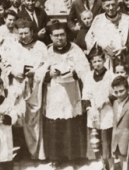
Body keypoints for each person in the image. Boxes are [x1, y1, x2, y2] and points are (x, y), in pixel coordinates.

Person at [33, 21, 89, 163]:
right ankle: (56, 158)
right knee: (55, 125)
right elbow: (38, 72)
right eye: (56, 36)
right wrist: (48, 72)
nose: (60, 38)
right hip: (54, 93)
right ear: (51, 37)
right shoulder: (48, 50)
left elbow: (85, 69)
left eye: (62, 35)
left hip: (71, 92)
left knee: (72, 123)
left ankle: (74, 157)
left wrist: (74, 72)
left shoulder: (75, 49)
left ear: (66, 35)